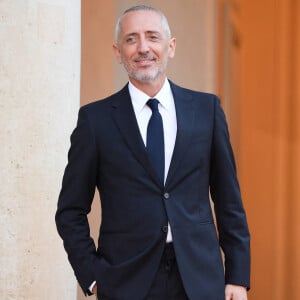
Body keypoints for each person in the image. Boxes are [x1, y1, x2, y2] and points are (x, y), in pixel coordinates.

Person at [56, 5, 250, 300]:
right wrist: (93, 277)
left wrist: (237, 275)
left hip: (199, 281)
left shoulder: (206, 111)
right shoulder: (95, 121)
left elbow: (228, 201)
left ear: (170, 47)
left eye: (152, 37)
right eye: (131, 39)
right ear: (118, 52)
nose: (143, 48)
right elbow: (70, 211)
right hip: (125, 283)